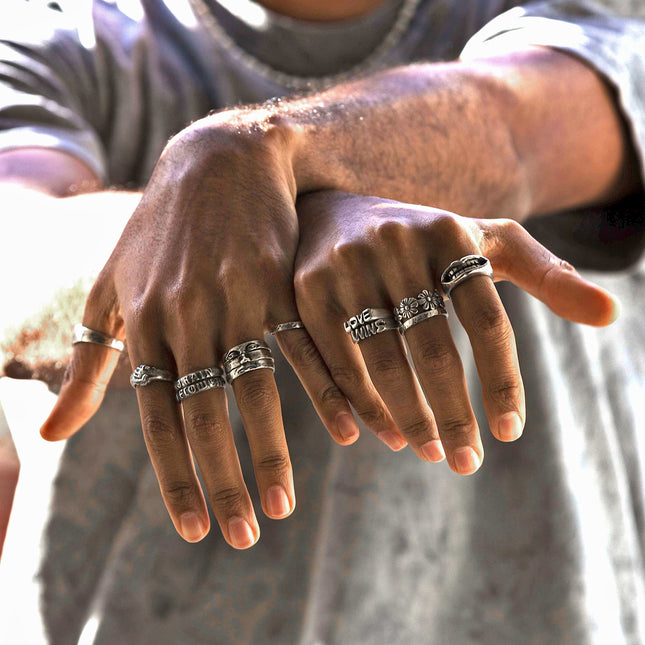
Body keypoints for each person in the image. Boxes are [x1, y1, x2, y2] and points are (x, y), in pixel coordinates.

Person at [1, 0, 644, 642]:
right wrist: (271, 221)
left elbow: (517, 126)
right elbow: (20, 248)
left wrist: (261, 156)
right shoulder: (51, 34)